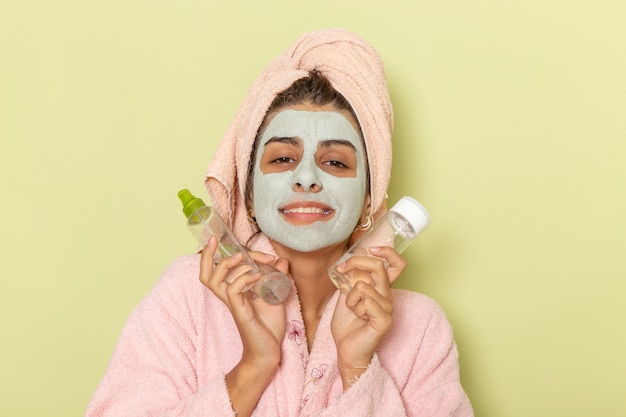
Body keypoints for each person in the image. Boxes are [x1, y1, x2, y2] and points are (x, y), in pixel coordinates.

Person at [86, 28, 473, 416]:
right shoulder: (187, 299)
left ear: (370, 198)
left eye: (336, 162)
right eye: (282, 159)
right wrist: (253, 368)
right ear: (249, 194)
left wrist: (357, 367)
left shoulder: (420, 328)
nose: (306, 178)